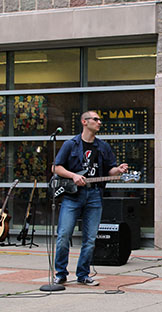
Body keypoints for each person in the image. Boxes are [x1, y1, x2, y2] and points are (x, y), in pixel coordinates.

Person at [53, 111, 128, 286]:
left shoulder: (103, 147)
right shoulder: (70, 144)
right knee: (64, 235)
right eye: (95, 119)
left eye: (100, 119)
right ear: (84, 122)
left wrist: (118, 170)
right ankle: (61, 273)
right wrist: (73, 176)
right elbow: (56, 168)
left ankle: (83, 274)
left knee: (90, 238)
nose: (99, 122)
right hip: (73, 196)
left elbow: (109, 171)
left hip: (94, 194)